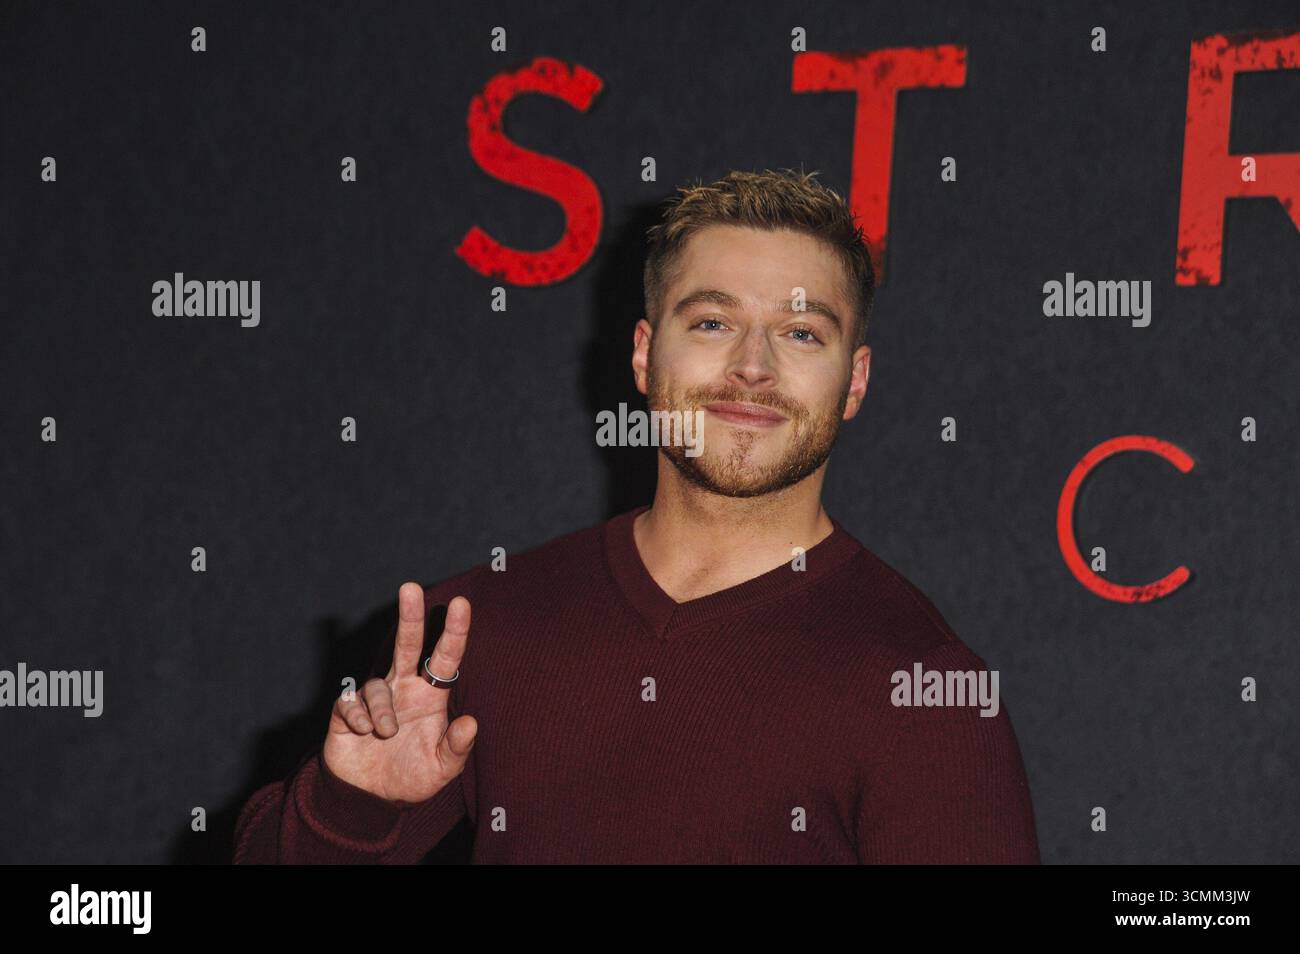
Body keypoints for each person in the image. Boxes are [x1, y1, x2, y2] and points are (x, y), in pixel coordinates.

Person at [233, 169, 1040, 864]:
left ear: (855, 381)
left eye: (800, 332)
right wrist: (351, 807)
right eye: (713, 322)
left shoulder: (927, 690)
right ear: (645, 354)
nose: (751, 367)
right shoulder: (483, 624)